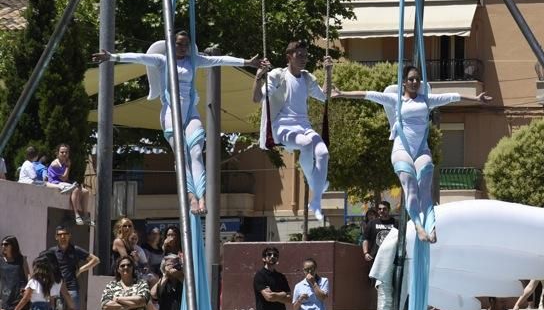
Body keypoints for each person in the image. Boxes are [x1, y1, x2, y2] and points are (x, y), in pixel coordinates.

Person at [94, 33, 261, 214]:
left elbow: (218, 59)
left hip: (190, 113)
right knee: (182, 155)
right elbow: (139, 57)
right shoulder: (162, 60)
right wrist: (112, 57)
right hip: (171, 113)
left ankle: (202, 197)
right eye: (179, 44)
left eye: (186, 45)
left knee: (196, 152)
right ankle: (191, 197)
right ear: (171, 45)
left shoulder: (193, 61)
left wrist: (247, 62)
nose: (183, 48)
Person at [331, 64, 492, 242]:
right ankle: (417, 225)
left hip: (422, 149)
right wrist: (342, 93)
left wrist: (477, 99)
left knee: (425, 188)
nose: (415, 82)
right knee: (411, 188)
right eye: (411, 79)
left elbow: (452, 97)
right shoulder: (396, 100)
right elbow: (369, 95)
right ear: (404, 83)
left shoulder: (427, 100)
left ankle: (431, 226)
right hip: (402, 148)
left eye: (417, 79)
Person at [253, 41, 333, 222]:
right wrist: (259, 77)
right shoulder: (277, 76)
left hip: (303, 126)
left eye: (305, 56)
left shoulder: (306, 78)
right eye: (299, 55)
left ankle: (316, 201)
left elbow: (325, 97)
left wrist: (328, 72)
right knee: (306, 144)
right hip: (281, 127)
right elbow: (257, 98)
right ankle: (315, 184)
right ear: (289, 56)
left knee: (323, 152)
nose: (304, 59)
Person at [45, 225, 99, 310]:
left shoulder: (75, 250)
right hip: (56, 289)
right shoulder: (51, 251)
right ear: (56, 237)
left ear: (69, 236)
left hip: (72, 288)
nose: (63, 236)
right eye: (60, 234)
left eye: (65, 234)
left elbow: (96, 260)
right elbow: (43, 265)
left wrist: (81, 269)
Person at [45, 144, 92, 226]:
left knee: (85, 192)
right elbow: (64, 178)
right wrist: (68, 166)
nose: (64, 154)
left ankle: (85, 216)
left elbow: (65, 179)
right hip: (56, 183)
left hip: (63, 183)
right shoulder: (55, 164)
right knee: (76, 189)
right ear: (57, 153)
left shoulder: (64, 162)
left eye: (66, 152)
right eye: (62, 152)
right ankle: (76, 215)